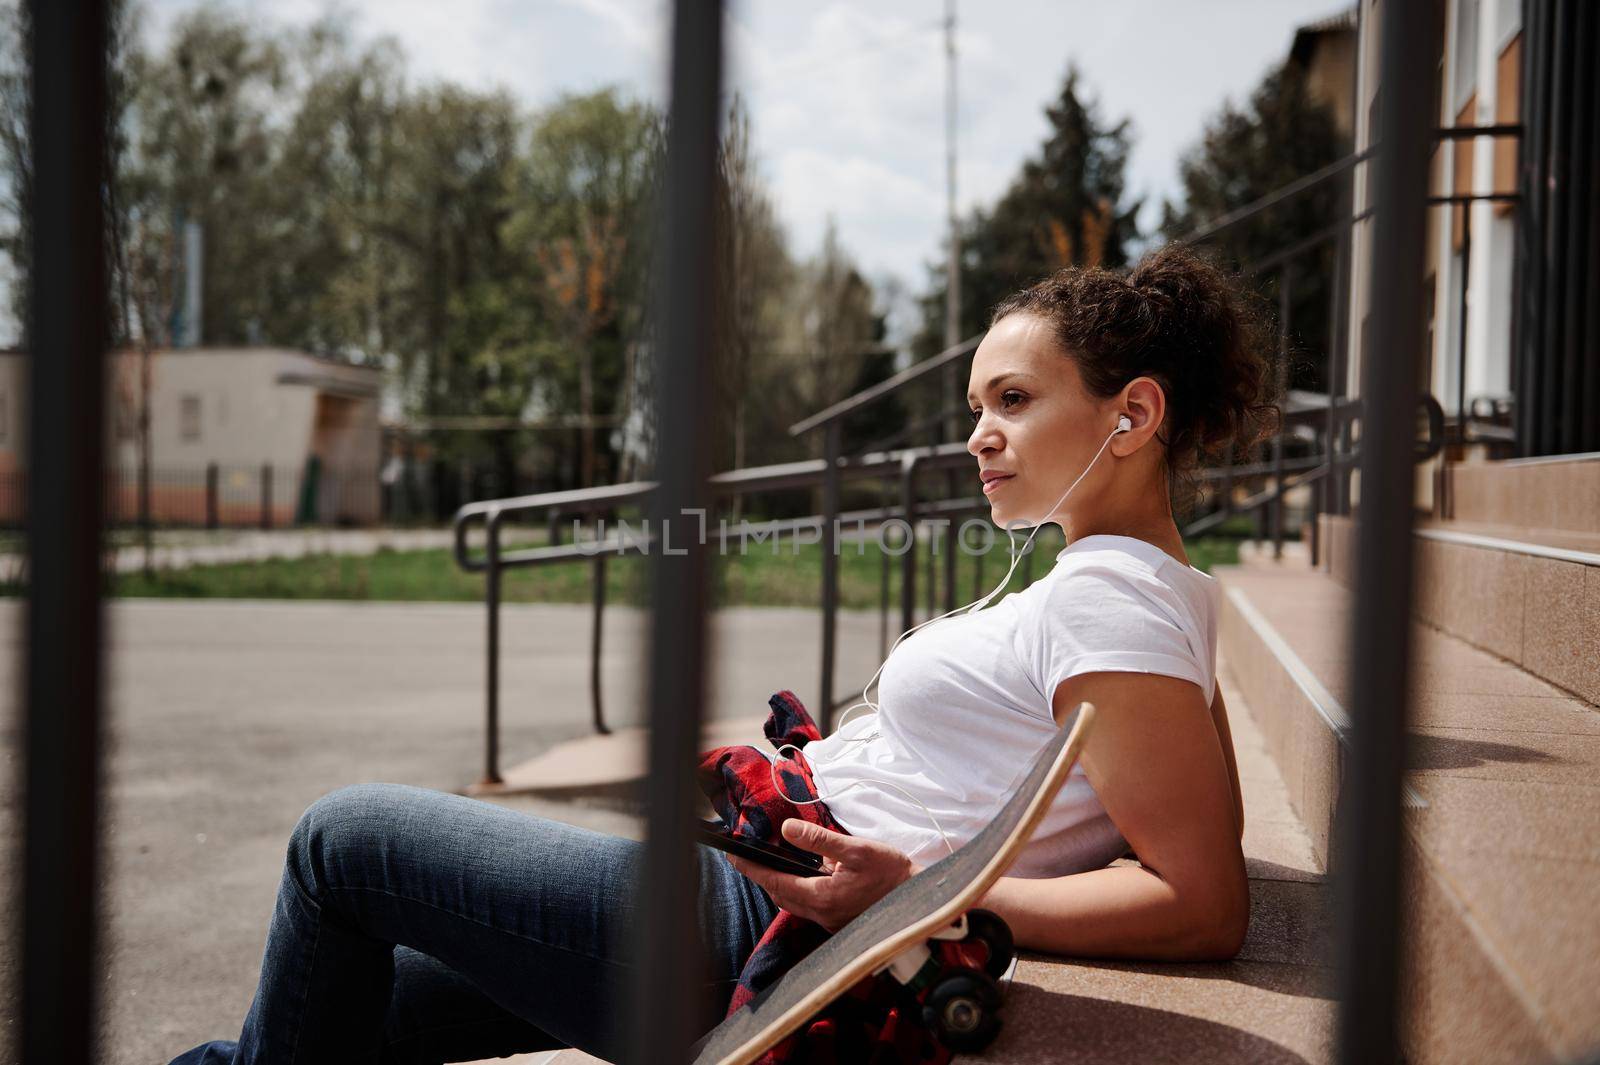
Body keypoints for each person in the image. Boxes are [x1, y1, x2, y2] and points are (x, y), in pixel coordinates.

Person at [168, 244, 1271, 1064]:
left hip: (756, 921)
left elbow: (1199, 896)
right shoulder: (1141, 591)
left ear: (1130, 416)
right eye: (975, 405)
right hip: (759, 878)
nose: (975, 434)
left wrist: (920, 898)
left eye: (1013, 402)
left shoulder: (1111, 602)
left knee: (341, 843)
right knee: (353, 1008)